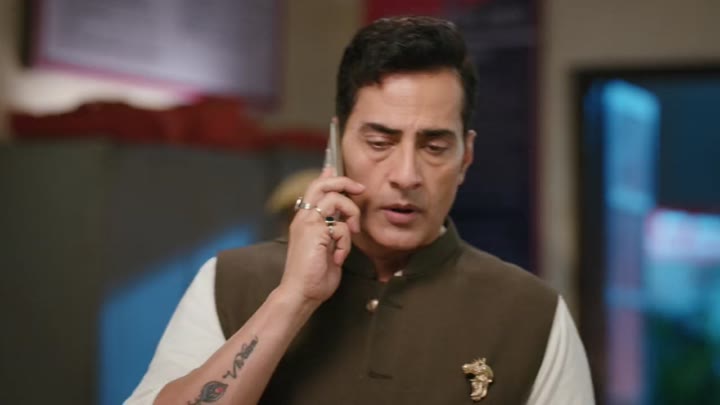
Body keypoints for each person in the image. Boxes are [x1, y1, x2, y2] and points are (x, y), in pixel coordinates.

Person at [126, 16, 594, 404]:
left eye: (434, 146)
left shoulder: (532, 315)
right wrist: (293, 298)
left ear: (465, 158)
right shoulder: (231, 281)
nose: (406, 175)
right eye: (379, 142)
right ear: (335, 143)